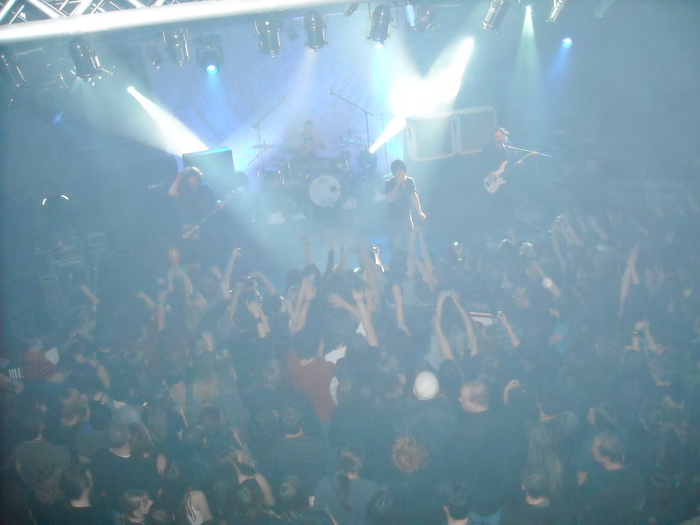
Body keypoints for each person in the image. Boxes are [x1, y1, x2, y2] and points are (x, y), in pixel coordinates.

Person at [384, 159, 427, 254]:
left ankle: (411, 262)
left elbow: (414, 196)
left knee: (410, 246)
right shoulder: (389, 182)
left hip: (407, 219)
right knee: (396, 247)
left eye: (402, 170)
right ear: (394, 173)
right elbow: (390, 199)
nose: (400, 173)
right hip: (393, 221)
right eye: (397, 171)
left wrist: (420, 212)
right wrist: (398, 183)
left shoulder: (410, 181)